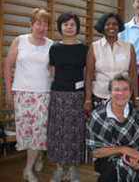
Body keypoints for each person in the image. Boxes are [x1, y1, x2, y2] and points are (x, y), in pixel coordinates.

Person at [4, 8, 53, 182]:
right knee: (26, 133)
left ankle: (28, 169)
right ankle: (37, 155)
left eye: (45, 24)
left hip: (43, 94)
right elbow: (8, 65)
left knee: (39, 133)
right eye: (38, 23)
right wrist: (8, 91)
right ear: (32, 24)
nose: (42, 27)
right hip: (22, 93)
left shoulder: (51, 45)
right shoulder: (20, 41)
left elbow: (53, 71)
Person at [86, 73, 139, 182]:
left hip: (137, 158)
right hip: (108, 160)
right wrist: (123, 150)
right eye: (116, 89)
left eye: (125, 89)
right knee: (113, 174)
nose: (121, 93)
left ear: (131, 92)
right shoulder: (97, 116)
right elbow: (94, 152)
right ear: (110, 93)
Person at [47, 12, 88, 182]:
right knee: (57, 132)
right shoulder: (54, 48)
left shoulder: (84, 49)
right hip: (58, 95)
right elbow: (52, 72)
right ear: (60, 27)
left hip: (77, 96)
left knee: (75, 133)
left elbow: (87, 73)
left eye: (72, 24)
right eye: (65, 24)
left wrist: (87, 96)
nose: (69, 27)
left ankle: (72, 169)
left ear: (77, 27)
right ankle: (58, 168)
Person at [84, 13, 139, 113]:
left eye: (115, 24)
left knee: (122, 127)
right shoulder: (94, 47)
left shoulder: (129, 47)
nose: (111, 27)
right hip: (100, 96)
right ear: (102, 27)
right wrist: (88, 99)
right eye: (108, 24)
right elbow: (88, 75)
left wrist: (136, 97)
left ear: (119, 27)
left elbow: (133, 74)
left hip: (123, 96)